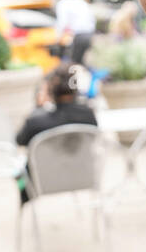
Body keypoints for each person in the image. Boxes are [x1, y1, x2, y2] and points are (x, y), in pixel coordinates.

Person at [14, 63, 97, 204]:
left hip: (44, 182)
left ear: (50, 90)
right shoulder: (88, 116)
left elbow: (19, 140)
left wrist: (38, 106)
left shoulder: (36, 122)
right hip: (82, 176)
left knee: (18, 170)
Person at [54, 0, 95, 66]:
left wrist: (57, 38)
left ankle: (77, 78)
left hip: (78, 36)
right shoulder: (81, 2)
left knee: (73, 63)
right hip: (89, 34)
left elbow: (62, 23)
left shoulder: (62, 4)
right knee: (83, 62)